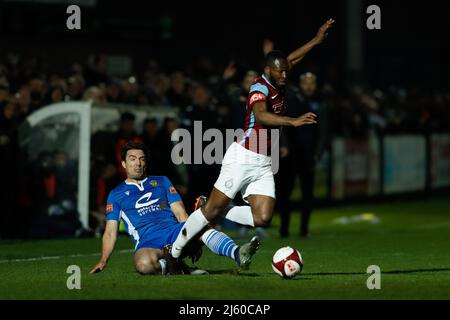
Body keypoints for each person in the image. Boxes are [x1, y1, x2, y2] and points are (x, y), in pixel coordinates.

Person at [170, 19, 335, 259]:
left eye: (287, 70)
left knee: (263, 217)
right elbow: (261, 115)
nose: (286, 74)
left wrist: (317, 40)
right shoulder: (259, 87)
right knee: (209, 213)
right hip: (243, 156)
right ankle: (174, 253)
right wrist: (293, 121)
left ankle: (219, 207)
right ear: (269, 70)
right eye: (281, 70)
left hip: (263, 161)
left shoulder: (280, 76)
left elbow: (293, 58)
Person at [90, 142, 259, 276]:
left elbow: (180, 213)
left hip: (174, 232)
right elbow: (110, 232)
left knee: (201, 227)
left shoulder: (162, 181)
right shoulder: (116, 194)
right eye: (133, 159)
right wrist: (103, 260)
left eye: (141, 159)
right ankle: (179, 268)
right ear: (124, 164)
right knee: (143, 265)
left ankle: (238, 253)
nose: (138, 163)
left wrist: (193, 235)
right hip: (148, 241)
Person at [276, 72, 329, 238]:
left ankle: (304, 230)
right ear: (300, 84)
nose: (309, 86)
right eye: (305, 82)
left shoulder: (319, 104)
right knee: (285, 193)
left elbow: (323, 131)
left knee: (308, 194)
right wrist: (284, 145)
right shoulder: (290, 101)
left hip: (308, 156)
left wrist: (318, 153)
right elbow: (281, 124)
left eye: (312, 83)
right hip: (290, 155)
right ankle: (284, 230)